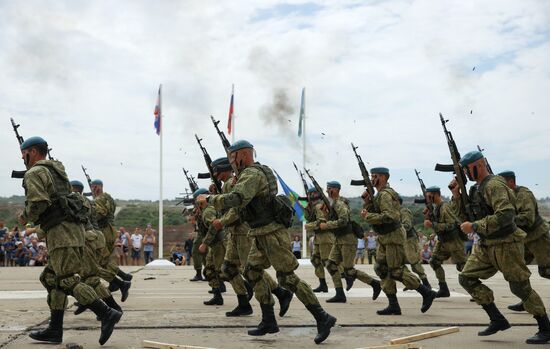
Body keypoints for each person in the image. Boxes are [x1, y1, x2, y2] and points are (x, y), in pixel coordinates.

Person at [197, 140, 335, 344]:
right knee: (252, 272)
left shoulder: (252, 174)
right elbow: (240, 206)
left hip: (272, 235)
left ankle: (322, 317)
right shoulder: (247, 176)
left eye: (232, 158)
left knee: (287, 278)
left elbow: (236, 199)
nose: (231, 162)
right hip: (259, 233)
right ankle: (268, 320)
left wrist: (209, 199)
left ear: (241, 156)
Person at [18, 136, 121, 345]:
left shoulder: (35, 173)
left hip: (60, 232)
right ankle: (55, 329)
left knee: (67, 279)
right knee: (50, 278)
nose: (23, 158)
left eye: (24, 153)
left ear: (34, 152)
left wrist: (25, 216)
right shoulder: (56, 171)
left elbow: (38, 203)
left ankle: (106, 312)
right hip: (71, 231)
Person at [454, 150, 550, 344]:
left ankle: (546, 328)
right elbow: (464, 217)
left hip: (506, 243)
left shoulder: (495, 185)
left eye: (466, 169)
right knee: (466, 277)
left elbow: (506, 215)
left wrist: (476, 226)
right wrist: (457, 195)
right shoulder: (476, 189)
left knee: (520, 287)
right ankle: (497, 319)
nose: (464, 173)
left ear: (479, 165)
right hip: (486, 244)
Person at [361, 167, 436, 315]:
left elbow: (391, 216)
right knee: (381, 268)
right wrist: (367, 202)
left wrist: (368, 216)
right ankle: (393, 304)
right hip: (384, 237)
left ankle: (426, 292)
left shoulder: (385, 195)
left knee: (396, 271)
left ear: (383, 177)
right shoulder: (379, 195)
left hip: (393, 236)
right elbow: (377, 212)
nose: (371, 179)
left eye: (374, 176)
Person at [498, 171, 550, 313]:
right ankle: (527, 299)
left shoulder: (524, 194)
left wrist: (507, 220)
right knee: (518, 271)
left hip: (539, 237)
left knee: (546, 271)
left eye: (503, 184)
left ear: (511, 182)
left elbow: (528, 218)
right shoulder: (508, 197)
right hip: (525, 239)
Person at [422, 186, 467, 298]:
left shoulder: (444, 207)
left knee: (463, 267)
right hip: (443, 241)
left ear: (436, 195)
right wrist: (428, 216)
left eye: (429, 196)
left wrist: (433, 225)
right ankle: (443, 288)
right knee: (434, 261)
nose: (428, 198)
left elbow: (451, 225)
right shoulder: (436, 208)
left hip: (454, 242)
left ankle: (476, 290)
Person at [91, 179, 133, 295]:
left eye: (93, 187)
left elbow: (100, 214)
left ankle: (120, 280)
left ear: (97, 187)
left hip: (104, 231)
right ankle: (121, 279)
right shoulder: (108, 197)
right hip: (109, 231)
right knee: (105, 259)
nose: (92, 190)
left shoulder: (99, 199)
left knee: (101, 260)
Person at [304, 186, 334, 293]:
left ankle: (346, 278)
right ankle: (323, 285)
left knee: (328, 262)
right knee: (315, 260)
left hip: (325, 237)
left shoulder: (319, 206)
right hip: (318, 237)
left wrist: (308, 226)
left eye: (311, 194)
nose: (309, 196)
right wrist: (307, 209)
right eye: (309, 194)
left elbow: (321, 222)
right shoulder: (313, 207)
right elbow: (309, 217)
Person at [399, 196, 432, 289]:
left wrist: (395, 228)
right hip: (402, 240)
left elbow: (407, 225)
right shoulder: (394, 213)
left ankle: (425, 283)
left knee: (414, 262)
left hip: (409, 240)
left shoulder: (403, 211)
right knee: (398, 263)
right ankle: (412, 281)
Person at [189, 212, 206, 281]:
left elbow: (193, 221)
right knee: (206, 254)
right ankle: (209, 274)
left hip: (201, 234)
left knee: (195, 252)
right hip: (206, 233)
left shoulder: (201, 209)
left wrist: (193, 217)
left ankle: (199, 274)